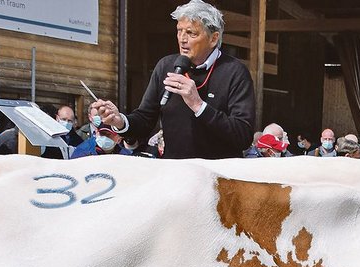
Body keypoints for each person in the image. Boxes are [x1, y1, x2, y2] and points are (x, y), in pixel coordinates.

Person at [93, 1, 253, 160]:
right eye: (179, 31)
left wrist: (198, 105)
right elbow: (145, 120)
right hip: (175, 172)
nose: (182, 39)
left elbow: (243, 136)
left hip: (216, 176)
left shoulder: (235, 72)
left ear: (213, 38)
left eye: (191, 33)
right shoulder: (166, 66)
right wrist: (120, 121)